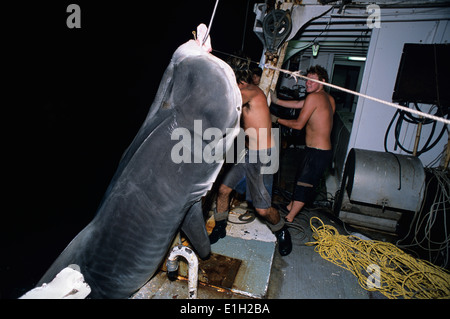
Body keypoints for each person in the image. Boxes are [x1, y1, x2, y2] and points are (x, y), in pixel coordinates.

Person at [209, 57, 292, 256]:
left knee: (262, 210)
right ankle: (220, 227)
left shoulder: (249, 92)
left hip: (263, 157)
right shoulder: (243, 91)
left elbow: (226, 105)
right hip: (246, 153)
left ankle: (281, 229)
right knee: (222, 190)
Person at [270, 65, 335, 223]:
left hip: (317, 152)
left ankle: (288, 220)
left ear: (323, 82)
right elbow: (299, 104)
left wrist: (275, 119)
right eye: (307, 80)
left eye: (312, 81)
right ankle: (289, 208)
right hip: (321, 152)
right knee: (300, 180)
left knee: (303, 185)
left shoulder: (314, 98)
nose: (307, 83)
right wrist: (276, 100)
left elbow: (299, 125)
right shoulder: (328, 98)